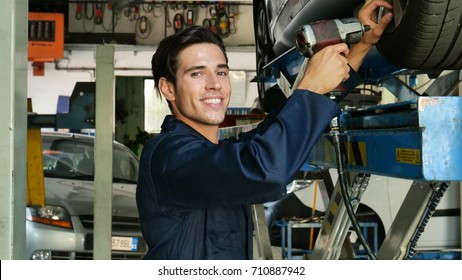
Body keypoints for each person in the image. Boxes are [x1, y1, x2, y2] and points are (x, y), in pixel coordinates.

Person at [136, 0, 393, 260]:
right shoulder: (170, 157)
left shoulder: (216, 151)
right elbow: (265, 169)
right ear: (168, 88)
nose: (215, 84)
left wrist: (362, 45)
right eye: (197, 74)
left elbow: (275, 128)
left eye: (221, 73)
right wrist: (310, 87)